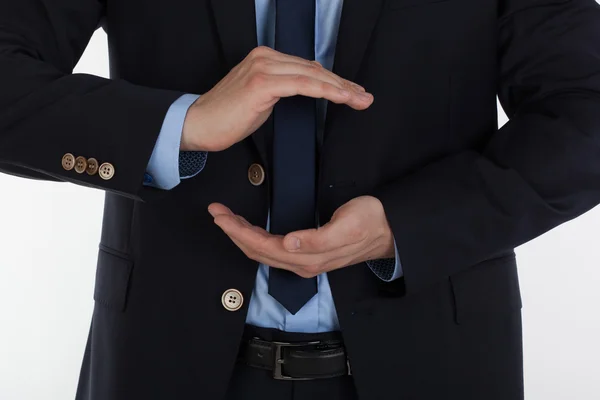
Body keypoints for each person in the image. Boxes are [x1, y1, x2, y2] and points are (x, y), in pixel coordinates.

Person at [1, 0, 600, 399]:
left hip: (435, 364)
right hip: (162, 364)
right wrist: (181, 125)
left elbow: (586, 112)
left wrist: (406, 226)